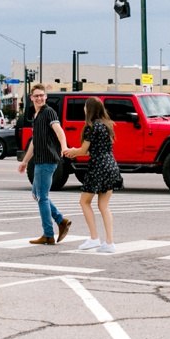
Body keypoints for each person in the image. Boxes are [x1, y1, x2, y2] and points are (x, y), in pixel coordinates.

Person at [63, 96, 123, 253]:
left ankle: (94, 238)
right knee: (104, 205)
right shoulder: (108, 125)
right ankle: (109, 242)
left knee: (84, 202)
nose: (83, 108)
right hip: (111, 165)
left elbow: (83, 151)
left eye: (85, 106)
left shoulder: (91, 127)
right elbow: (96, 148)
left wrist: (71, 151)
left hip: (98, 167)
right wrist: (77, 150)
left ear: (89, 109)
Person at [17, 85, 71, 245]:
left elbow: (59, 130)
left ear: (46, 97)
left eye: (42, 95)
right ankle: (61, 221)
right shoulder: (37, 115)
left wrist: (64, 147)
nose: (39, 98)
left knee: (42, 197)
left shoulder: (48, 112)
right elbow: (34, 141)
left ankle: (48, 234)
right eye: (36, 96)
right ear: (31, 98)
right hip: (39, 160)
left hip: (47, 160)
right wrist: (25, 161)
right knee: (38, 194)